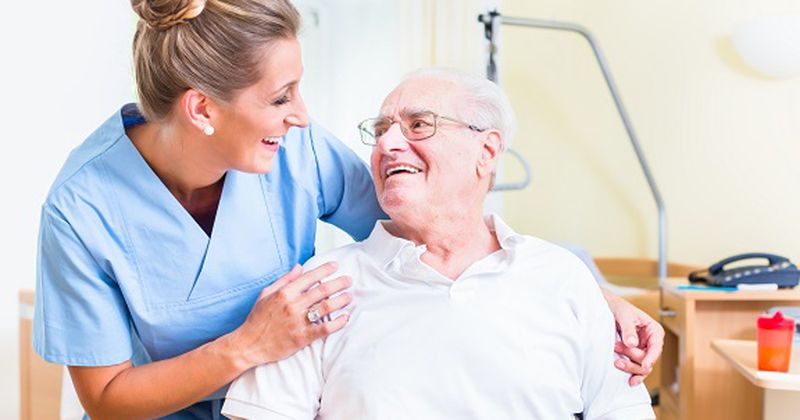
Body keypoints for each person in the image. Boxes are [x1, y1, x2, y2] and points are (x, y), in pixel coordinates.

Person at [33, 1, 659, 418]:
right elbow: (107, 398)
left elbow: (436, 225)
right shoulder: (84, 209)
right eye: (281, 97)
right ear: (202, 110)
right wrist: (249, 346)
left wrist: (590, 296)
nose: (303, 115)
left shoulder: (294, 149)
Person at [221, 69, 656, 420]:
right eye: (381, 130)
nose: (388, 144)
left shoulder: (561, 279)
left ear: (486, 152)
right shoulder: (320, 292)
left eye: (418, 125)